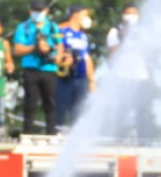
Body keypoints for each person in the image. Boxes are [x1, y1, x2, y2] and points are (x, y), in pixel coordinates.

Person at [105, 3, 155, 140]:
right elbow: (113, 53)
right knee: (121, 110)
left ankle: (144, 140)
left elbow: (150, 53)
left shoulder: (144, 33)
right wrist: (124, 38)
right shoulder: (115, 32)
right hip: (122, 76)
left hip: (141, 76)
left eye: (133, 14)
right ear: (122, 15)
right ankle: (119, 139)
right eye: (128, 13)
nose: (130, 17)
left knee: (143, 111)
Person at [14, 1, 63, 136]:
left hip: (49, 68)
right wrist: (35, 48)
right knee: (30, 102)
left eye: (41, 10)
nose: (38, 13)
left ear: (46, 11)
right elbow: (18, 49)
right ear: (30, 11)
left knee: (50, 102)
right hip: (31, 68)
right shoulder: (23, 27)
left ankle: (51, 131)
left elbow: (59, 46)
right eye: (35, 10)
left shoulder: (53, 27)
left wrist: (55, 55)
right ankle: (27, 131)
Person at [56, 5, 96, 128]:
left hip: (81, 76)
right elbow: (56, 51)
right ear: (75, 15)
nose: (87, 18)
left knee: (79, 109)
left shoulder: (83, 36)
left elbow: (87, 58)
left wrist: (91, 80)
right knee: (60, 106)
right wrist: (63, 58)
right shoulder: (61, 30)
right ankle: (56, 130)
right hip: (64, 76)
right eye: (84, 15)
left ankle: (75, 132)